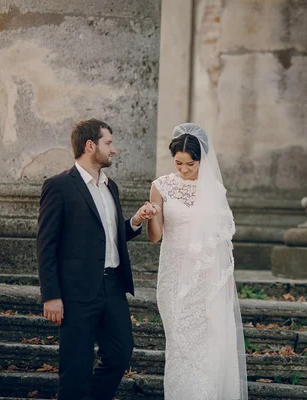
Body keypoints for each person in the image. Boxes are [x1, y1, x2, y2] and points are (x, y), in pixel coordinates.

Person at [37, 119, 157, 400]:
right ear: (90, 146)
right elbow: (46, 244)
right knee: (75, 370)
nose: (113, 150)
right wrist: (51, 295)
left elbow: (110, 237)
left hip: (112, 288)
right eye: (108, 143)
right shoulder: (58, 187)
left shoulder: (110, 187)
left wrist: (136, 221)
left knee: (119, 353)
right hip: (76, 293)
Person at [146, 123, 248, 399]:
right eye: (178, 163)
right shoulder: (161, 186)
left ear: (202, 160)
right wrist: (150, 215)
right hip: (174, 275)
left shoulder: (214, 190)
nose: (183, 169)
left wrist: (216, 283)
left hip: (205, 279)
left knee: (206, 345)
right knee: (179, 342)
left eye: (190, 164)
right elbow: (155, 237)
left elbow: (221, 241)